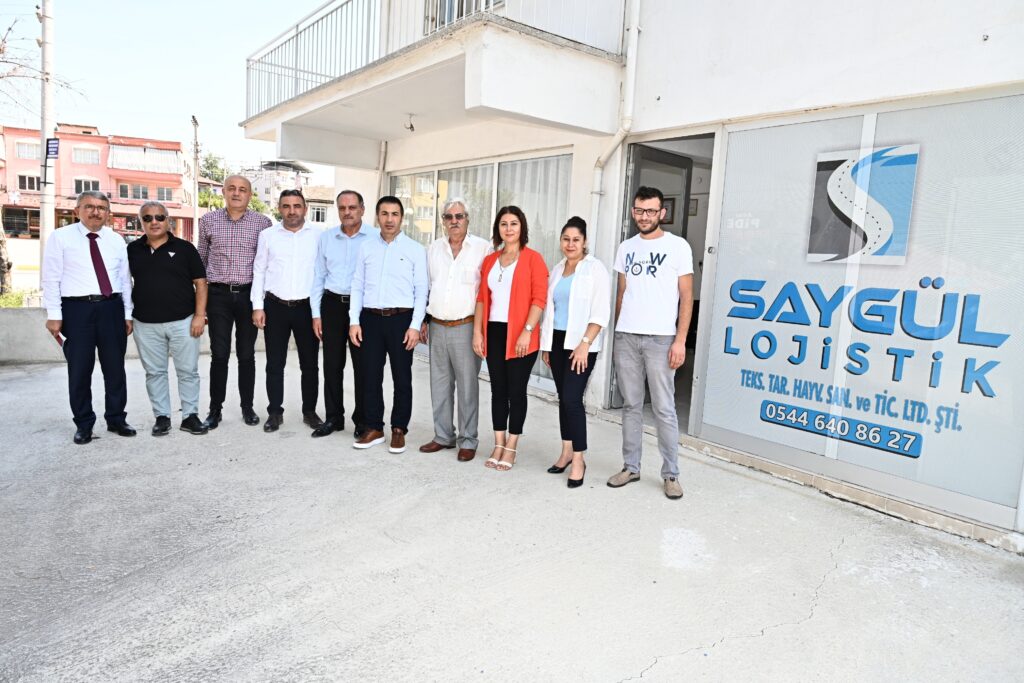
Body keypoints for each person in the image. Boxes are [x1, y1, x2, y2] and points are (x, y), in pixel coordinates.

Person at [607, 186, 694, 500]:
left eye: (651, 211)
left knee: (664, 408)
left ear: (662, 213)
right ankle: (631, 467)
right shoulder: (626, 248)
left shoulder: (678, 246)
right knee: (631, 406)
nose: (644, 216)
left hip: (661, 339)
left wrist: (680, 341)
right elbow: (622, 293)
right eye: (639, 210)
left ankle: (671, 474)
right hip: (627, 338)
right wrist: (618, 331)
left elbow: (687, 297)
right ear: (633, 212)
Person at [42, 190, 135, 444]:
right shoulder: (60, 237)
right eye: (89, 207)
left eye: (101, 208)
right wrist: (54, 314)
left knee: (115, 369)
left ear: (108, 213)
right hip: (76, 310)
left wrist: (127, 313)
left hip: (111, 309)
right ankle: (84, 424)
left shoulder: (116, 240)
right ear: (77, 211)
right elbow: (51, 278)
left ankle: (116, 419)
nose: (96, 212)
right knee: (80, 370)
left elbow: (124, 280)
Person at [349, 196, 428, 453]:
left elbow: (421, 291)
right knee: (370, 376)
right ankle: (374, 427)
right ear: (377, 217)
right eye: (384, 214)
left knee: (402, 377)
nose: (389, 219)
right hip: (370, 319)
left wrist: (415, 325)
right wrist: (354, 321)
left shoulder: (415, 249)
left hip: (402, 321)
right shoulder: (366, 248)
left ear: (402, 218)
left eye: (394, 214)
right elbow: (357, 285)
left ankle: (399, 429)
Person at [472, 206, 547, 471]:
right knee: (498, 390)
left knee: (516, 391)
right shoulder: (490, 261)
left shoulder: (534, 259)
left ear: (522, 227)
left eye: (514, 223)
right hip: (494, 332)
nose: (509, 228)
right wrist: (477, 332)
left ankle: (512, 446)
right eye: (503, 224)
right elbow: (482, 298)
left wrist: (527, 330)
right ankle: (498, 443)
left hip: (521, 334)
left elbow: (539, 299)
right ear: (498, 229)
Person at [127, 202, 209, 436]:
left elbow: (201, 283)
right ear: (141, 222)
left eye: (159, 217)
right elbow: (122, 283)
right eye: (148, 218)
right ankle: (162, 417)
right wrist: (127, 316)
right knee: (155, 373)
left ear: (168, 220)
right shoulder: (132, 250)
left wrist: (199, 316)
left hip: (183, 321)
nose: (154, 222)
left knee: (188, 371)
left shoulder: (185, 248)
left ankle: (190, 416)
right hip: (145, 323)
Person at [197, 175, 272, 429]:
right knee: (219, 354)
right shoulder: (208, 221)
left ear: (250, 195)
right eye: (231, 188)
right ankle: (215, 410)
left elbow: (265, 264)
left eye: (242, 189)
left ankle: (247, 407)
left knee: (246, 354)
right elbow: (201, 261)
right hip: (218, 295)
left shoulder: (263, 223)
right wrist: (200, 305)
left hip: (249, 295)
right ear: (224, 192)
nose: (236, 193)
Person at [540, 216, 610, 488]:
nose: (570, 244)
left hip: (582, 344)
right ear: (561, 241)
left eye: (576, 240)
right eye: (566, 239)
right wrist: (547, 346)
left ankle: (579, 459)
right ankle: (566, 451)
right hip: (557, 342)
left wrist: (584, 344)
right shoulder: (557, 269)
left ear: (585, 242)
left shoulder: (595, 269)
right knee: (563, 399)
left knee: (572, 399)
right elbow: (551, 311)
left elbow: (600, 312)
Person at [418, 199, 490, 462]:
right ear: (443, 221)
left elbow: (486, 293)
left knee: (468, 386)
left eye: (459, 216)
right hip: (437, 325)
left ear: (467, 218)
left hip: (466, 326)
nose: (454, 221)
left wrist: (480, 330)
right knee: (439, 384)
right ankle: (443, 436)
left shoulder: (483, 248)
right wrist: (424, 320)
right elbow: (427, 287)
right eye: (449, 217)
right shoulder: (433, 249)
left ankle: (468, 440)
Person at [251, 190, 322, 433]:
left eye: (297, 206)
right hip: (275, 306)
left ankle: (309, 411)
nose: (292, 211)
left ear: (305, 208)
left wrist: (319, 312)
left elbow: (322, 273)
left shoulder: (318, 236)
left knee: (310, 364)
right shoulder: (268, 235)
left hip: (307, 308)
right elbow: (259, 270)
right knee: (274, 363)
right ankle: (274, 412)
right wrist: (257, 306)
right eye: (286, 206)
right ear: (279, 208)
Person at [310, 190, 378, 439]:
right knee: (332, 364)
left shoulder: (375, 237)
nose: (347, 212)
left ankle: (362, 420)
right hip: (332, 306)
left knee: (363, 367)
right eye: (342, 208)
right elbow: (318, 276)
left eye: (352, 207)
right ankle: (333, 418)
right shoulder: (327, 238)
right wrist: (316, 314)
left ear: (362, 209)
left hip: (363, 309)